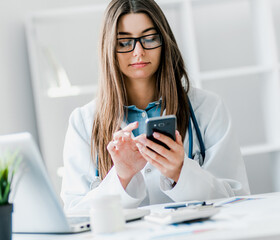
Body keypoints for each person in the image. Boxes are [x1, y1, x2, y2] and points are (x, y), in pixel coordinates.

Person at [61, 0, 250, 211]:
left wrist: (181, 172)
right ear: (109, 49)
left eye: (149, 38)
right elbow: (74, 213)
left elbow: (238, 199)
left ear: (164, 41)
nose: (138, 51)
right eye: (124, 42)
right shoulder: (83, 122)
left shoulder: (208, 108)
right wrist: (121, 177)